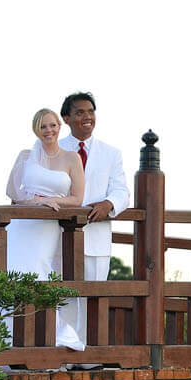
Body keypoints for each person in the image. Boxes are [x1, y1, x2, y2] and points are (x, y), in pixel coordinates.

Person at [3, 108, 87, 351]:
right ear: (36, 130)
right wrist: (36, 202)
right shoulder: (25, 156)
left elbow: (77, 198)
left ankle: (45, 336)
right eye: (43, 127)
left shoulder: (72, 158)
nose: (48, 130)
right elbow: (13, 194)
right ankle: (7, 339)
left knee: (39, 272)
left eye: (52, 125)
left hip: (47, 226)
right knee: (14, 274)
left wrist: (54, 202)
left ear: (59, 127)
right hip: (23, 226)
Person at [57, 91, 131, 348]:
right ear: (66, 118)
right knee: (63, 296)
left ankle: (88, 357)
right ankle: (62, 353)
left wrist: (109, 204)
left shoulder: (111, 153)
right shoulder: (54, 149)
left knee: (94, 296)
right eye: (79, 112)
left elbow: (122, 191)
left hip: (97, 237)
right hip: (60, 236)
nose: (87, 117)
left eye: (90, 111)